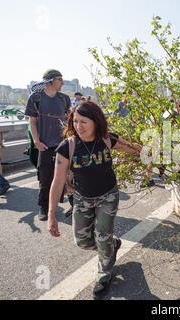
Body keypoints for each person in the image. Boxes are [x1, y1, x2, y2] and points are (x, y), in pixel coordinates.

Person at [47, 101, 141, 299]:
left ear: (96, 122)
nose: (79, 126)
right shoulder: (68, 147)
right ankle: (111, 244)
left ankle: (104, 275)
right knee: (82, 241)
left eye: (84, 122)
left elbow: (133, 149)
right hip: (82, 199)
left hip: (108, 196)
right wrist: (51, 215)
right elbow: (57, 182)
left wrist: (153, 151)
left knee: (102, 237)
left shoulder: (107, 139)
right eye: (76, 121)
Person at [25, 69, 72, 221]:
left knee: (70, 177)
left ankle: (75, 205)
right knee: (45, 180)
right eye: (60, 79)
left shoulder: (64, 98)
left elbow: (70, 121)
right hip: (45, 147)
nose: (63, 82)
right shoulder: (36, 98)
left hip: (64, 145)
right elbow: (32, 121)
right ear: (50, 81)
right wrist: (37, 142)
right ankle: (43, 208)